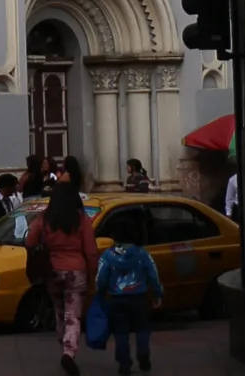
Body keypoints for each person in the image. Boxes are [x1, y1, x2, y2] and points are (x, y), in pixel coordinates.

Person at [26, 156, 96, 375]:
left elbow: (29, 241)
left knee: (59, 312)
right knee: (73, 315)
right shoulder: (81, 219)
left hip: (52, 271)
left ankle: (63, 341)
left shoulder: (45, 218)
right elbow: (91, 251)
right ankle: (69, 351)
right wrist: (93, 274)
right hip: (77, 270)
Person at [95, 216, 162, 372]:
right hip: (139, 298)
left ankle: (124, 363)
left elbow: (101, 278)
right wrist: (157, 293)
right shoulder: (142, 254)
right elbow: (153, 274)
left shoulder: (107, 256)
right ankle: (143, 354)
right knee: (142, 329)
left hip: (117, 300)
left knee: (120, 333)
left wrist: (101, 294)